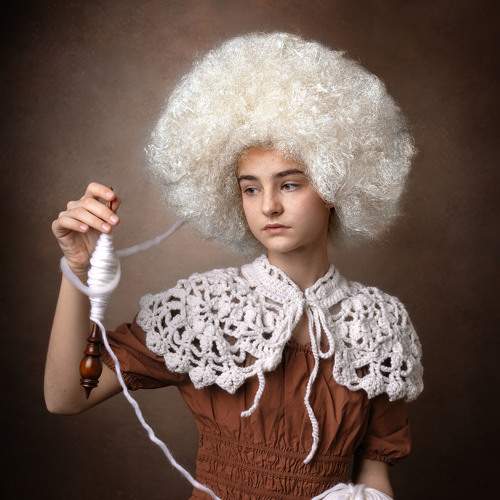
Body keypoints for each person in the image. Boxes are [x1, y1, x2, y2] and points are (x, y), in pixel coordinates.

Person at [44, 32, 424, 499]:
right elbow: (65, 396)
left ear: (335, 184)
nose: (268, 206)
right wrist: (78, 267)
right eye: (250, 188)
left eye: (290, 184)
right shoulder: (202, 308)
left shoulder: (381, 323)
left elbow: (374, 479)